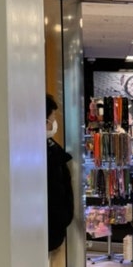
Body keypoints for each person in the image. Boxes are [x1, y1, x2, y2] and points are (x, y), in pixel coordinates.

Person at [47, 94, 74, 252]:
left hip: (54, 226)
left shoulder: (51, 147)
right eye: (53, 118)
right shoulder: (43, 152)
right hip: (50, 227)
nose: (54, 122)